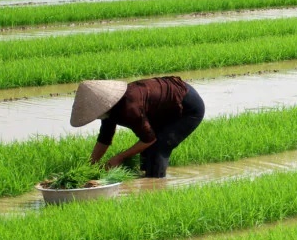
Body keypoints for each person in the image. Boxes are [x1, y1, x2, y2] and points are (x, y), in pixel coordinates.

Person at [69, 76, 205, 178]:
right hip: (165, 107)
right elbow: (105, 137)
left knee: (160, 146)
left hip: (188, 107)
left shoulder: (129, 108)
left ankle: (156, 185)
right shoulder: (109, 108)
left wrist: (119, 157)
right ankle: (148, 177)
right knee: (147, 151)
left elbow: (149, 139)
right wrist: (90, 166)